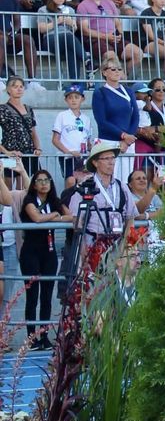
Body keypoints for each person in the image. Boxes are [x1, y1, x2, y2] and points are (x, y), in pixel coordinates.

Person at [19, 168, 73, 343]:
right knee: (32, 295)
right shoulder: (29, 200)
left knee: (47, 296)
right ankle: (31, 337)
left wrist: (54, 216)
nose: (44, 184)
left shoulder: (54, 201)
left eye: (47, 180)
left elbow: (70, 217)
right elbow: (36, 218)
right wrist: (55, 216)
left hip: (49, 252)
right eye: (40, 181)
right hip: (31, 252)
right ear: (34, 184)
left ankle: (44, 335)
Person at [51, 83, 94, 179]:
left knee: (84, 181)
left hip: (83, 156)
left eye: (76, 97)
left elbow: (88, 141)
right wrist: (68, 152)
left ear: (82, 99)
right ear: (66, 100)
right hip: (67, 157)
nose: (73, 100)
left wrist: (93, 149)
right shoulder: (62, 115)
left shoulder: (86, 119)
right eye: (70, 97)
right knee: (70, 180)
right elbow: (55, 139)